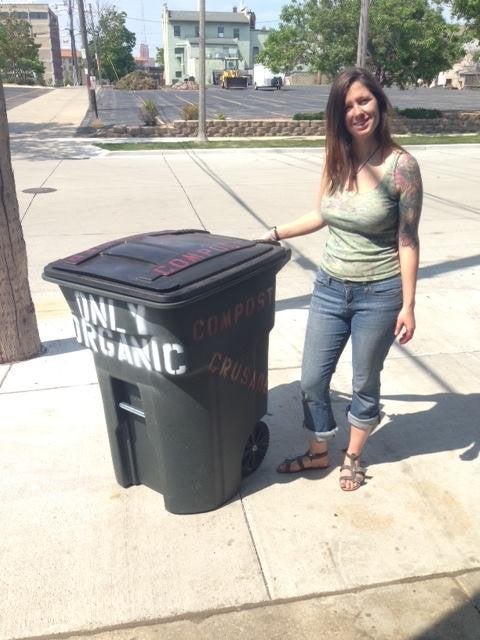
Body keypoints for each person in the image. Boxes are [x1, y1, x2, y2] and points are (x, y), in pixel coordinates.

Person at [263, 67, 423, 491]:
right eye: (348, 105)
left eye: (364, 101)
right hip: (330, 288)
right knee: (313, 379)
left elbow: (407, 239)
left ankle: (353, 456)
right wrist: (275, 233)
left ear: (380, 103)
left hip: (380, 293)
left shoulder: (402, 167)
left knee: (364, 382)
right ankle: (318, 453)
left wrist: (408, 304)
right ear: (339, 114)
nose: (358, 111)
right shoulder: (335, 155)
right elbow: (321, 214)